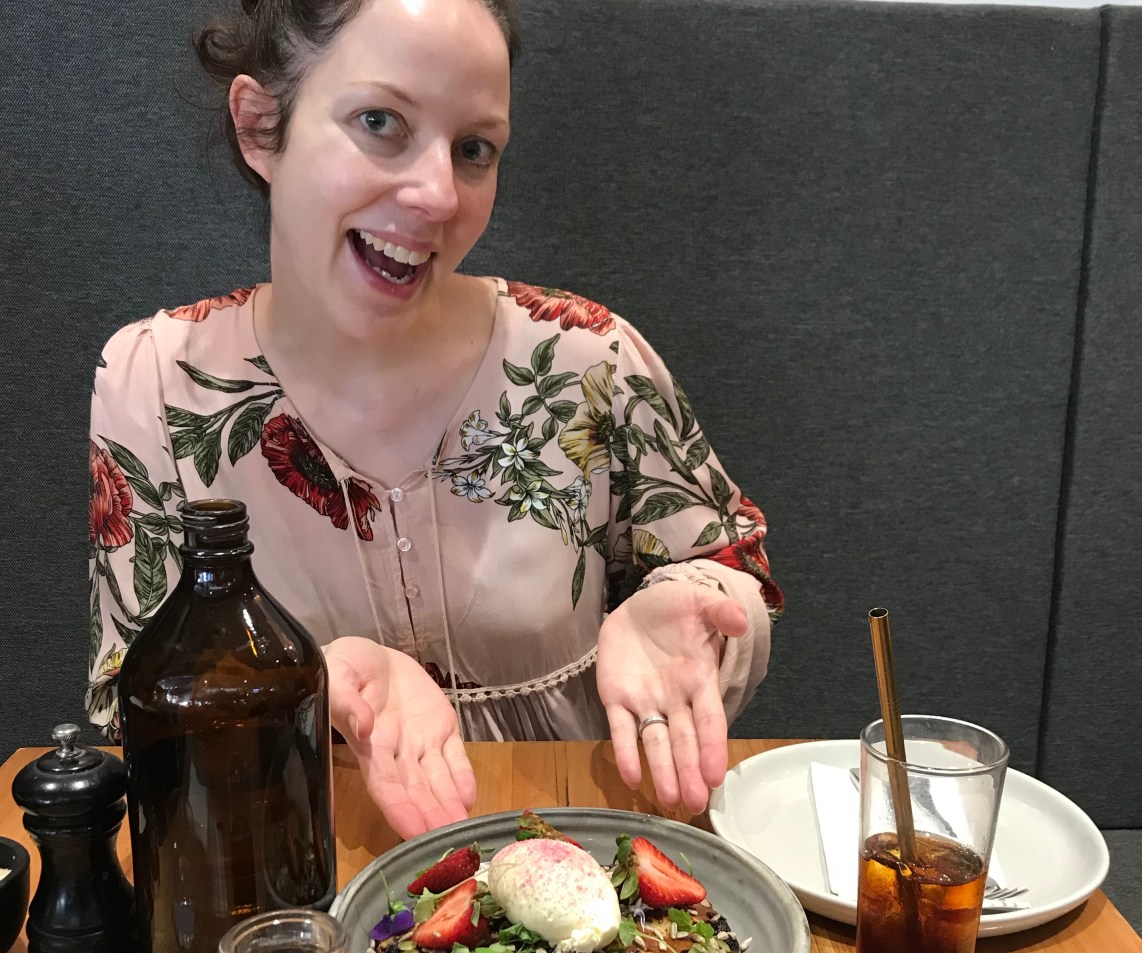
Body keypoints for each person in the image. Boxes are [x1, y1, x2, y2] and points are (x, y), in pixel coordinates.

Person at [86, 0, 783, 840]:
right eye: (380, 122)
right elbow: (132, 708)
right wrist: (311, 681)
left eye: (474, 149)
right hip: (302, 890)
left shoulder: (586, 356)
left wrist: (691, 600)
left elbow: (729, 565)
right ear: (262, 126)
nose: (438, 194)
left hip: (582, 874)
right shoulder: (155, 383)